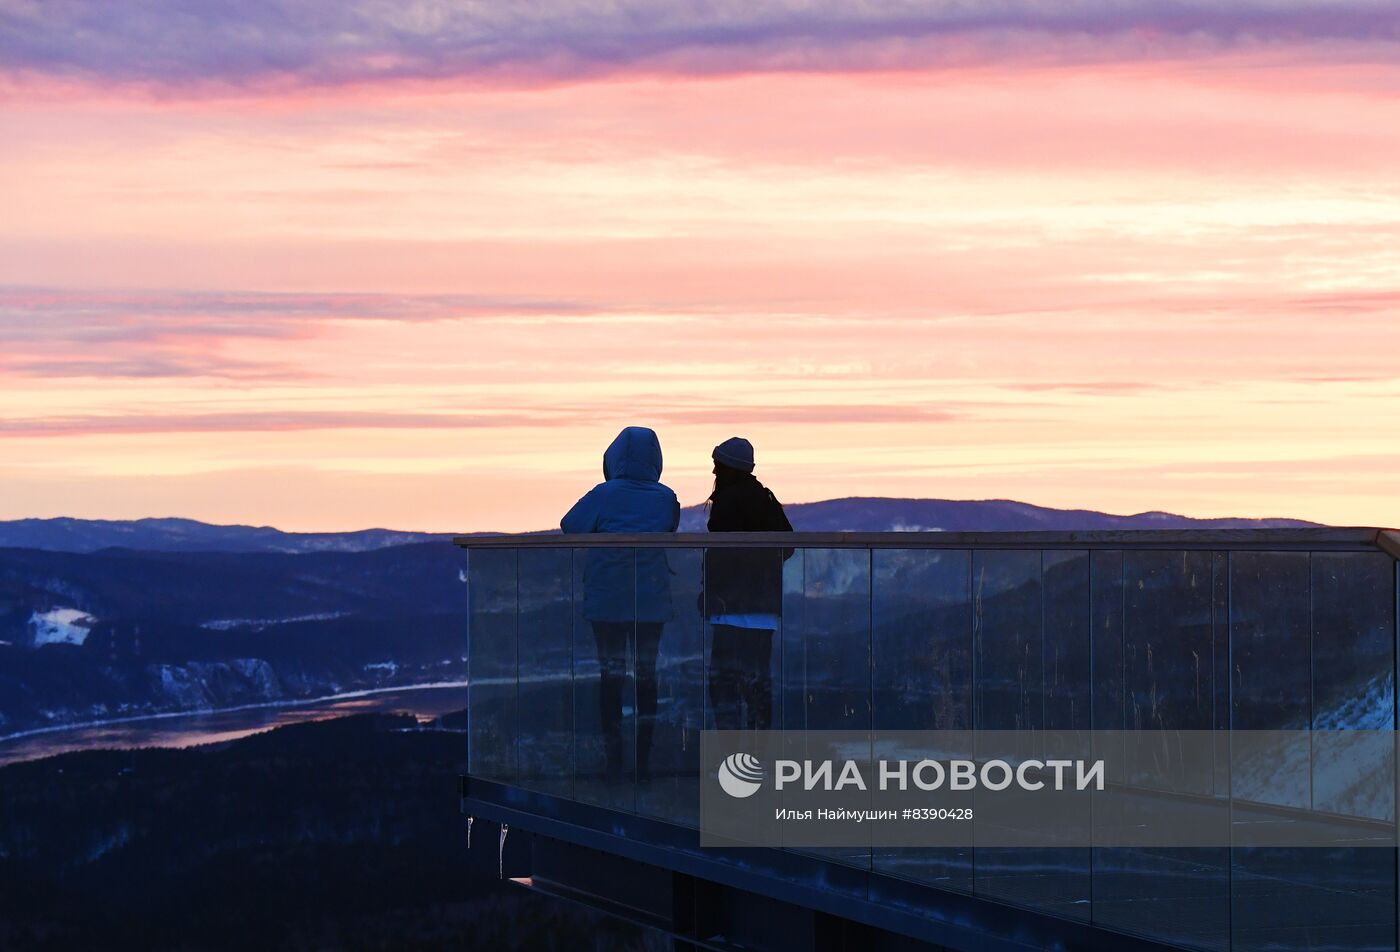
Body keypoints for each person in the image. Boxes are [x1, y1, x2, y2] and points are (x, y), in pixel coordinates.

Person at [562, 426, 679, 783]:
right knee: (647, 677)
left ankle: (614, 762)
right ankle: (645, 763)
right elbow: (670, 528)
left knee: (611, 678)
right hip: (651, 601)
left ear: (612, 458)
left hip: (607, 602)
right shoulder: (665, 497)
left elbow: (570, 526)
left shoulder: (604, 494)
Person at [704, 437, 792, 731]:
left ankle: (732, 761)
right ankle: (759, 759)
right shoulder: (765, 499)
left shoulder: (727, 502)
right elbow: (788, 544)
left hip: (729, 610)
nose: (714, 474)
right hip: (762, 612)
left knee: (724, 689)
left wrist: (712, 592)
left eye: (718, 467)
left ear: (730, 469)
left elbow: (719, 555)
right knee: (757, 688)